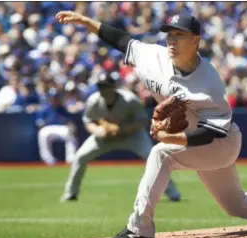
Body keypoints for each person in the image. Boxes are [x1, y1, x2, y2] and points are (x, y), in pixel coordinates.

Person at [56, 11, 247, 238]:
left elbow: (210, 133)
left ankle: (139, 228)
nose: (172, 40)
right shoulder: (153, 57)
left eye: (179, 35)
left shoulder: (209, 82)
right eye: (169, 34)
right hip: (197, 141)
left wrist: (168, 136)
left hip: (220, 143)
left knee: (161, 154)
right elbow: (121, 40)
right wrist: (84, 21)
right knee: (236, 205)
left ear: (195, 40)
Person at [61, 71, 181, 202]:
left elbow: (142, 121)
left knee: (153, 156)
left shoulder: (129, 100)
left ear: (114, 87)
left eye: (106, 86)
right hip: (104, 137)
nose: (103, 90)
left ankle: (173, 193)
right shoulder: (93, 101)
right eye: (101, 87)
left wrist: (122, 129)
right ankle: (70, 193)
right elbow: (88, 121)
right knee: (80, 156)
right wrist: (97, 131)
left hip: (131, 135)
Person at [36, 88, 78, 165]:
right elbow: (40, 124)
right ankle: (49, 160)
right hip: (48, 129)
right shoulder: (44, 109)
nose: (54, 100)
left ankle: (71, 158)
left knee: (70, 132)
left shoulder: (63, 109)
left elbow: (70, 122)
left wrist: (71, 126)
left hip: (62, 129)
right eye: (52, 98)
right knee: (42, 133)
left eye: (56, 98)